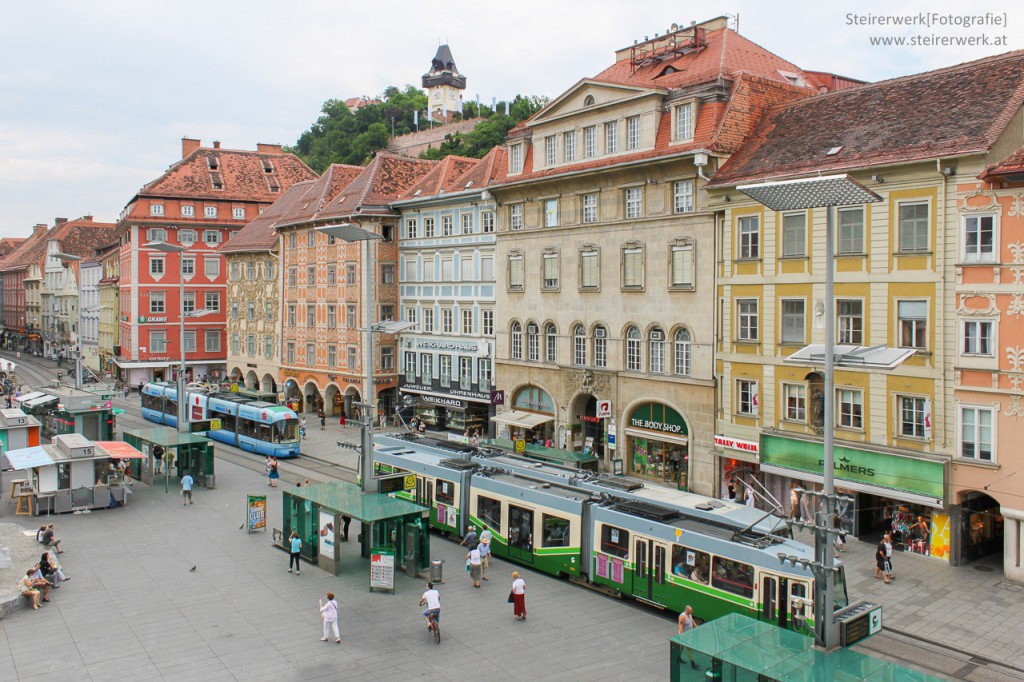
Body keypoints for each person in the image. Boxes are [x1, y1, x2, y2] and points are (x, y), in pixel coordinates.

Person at [678, 605, 699, 669]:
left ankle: (677, 657)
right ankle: (693, 663)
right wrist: (682, 636)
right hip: (685, 636)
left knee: (681, 647)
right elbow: (681, 627)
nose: (692, 611)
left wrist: (696, 627)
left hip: (689, 635)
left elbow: (692, 620)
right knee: (688, 649)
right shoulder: (682, 617)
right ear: (686, 610)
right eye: (690, 610)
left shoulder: (689, 615)